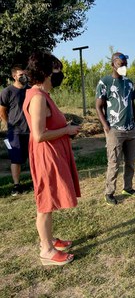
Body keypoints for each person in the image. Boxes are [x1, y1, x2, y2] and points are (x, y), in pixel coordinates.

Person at [23, 51, 81, 266]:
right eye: (56, 68)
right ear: (46, 72)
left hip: (52, 153)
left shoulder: (41, 94)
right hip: (46, 155)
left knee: (50, 198)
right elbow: (39, 135)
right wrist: (67, 130)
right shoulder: (37, 97)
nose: (59, 73)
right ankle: (46, 250)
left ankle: (49, 239)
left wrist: (64, 127)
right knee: (45, 203)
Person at [95, 52, 135, 206]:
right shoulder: (105, 82)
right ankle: (109, 193)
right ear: (113, 64)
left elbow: (132, 104)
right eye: (121, 64)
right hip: (115, 130)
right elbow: (98, 106)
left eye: (126, 64)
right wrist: (106, 126)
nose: (124, 67)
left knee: (130, 162)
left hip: (131, 130)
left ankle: (128, 188)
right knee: (114, 163)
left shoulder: (129, 82)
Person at [0, 65, 30, 196]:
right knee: (15, 159)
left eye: (25, 74)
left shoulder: (30, 90)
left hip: (31, 130)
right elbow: (2, 112)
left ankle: (38, 181)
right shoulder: (7, 92)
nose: (24, 76)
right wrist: (11, 125)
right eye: (20, 74)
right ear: (14, 76)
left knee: (33, 157)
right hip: (15, 132)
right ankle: (16, 185)